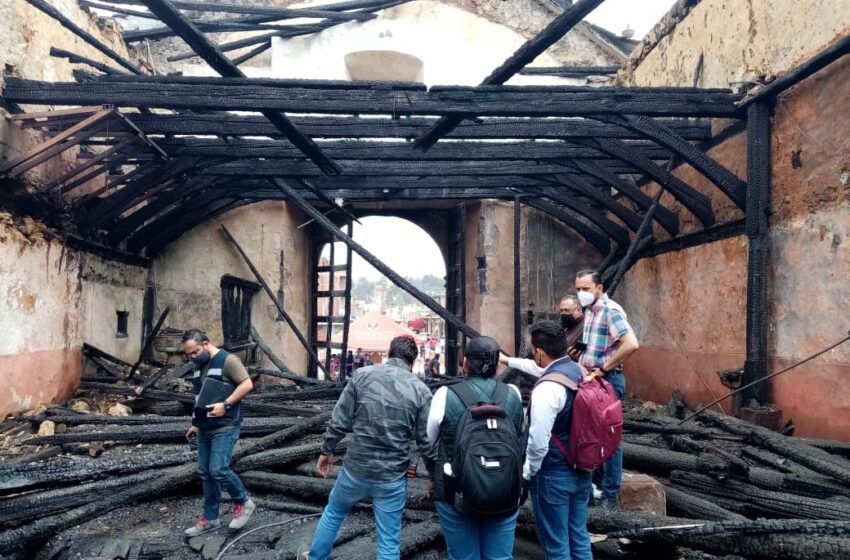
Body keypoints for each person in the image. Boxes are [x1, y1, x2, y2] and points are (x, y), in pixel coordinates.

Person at [303, 336, 436, 560]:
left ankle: (315, 558)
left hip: (356, 470)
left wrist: (327, 450)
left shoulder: (361, 376)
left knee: (334, 513)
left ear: (389, 354)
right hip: (392, 478)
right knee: (388, 542)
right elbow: (427, 442)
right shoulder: (421, 390)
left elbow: (340, 420)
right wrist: (434, 476)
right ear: (413, 362)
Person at [427, 336, 524, 560]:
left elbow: (429, 440)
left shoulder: (445, 394)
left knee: (463, 556)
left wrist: (434, 476)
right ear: (497, 364)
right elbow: (518, 433)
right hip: (504, 486)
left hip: (456, 489)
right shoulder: (513, 394)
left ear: (464, 362)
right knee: (499, 557)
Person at [571, 270, 639, 511]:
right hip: (592, 380)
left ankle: (610, 496)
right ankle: (596, 488)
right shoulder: (591, 311)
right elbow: (601, 344)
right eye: (578, 289)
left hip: (607, 379)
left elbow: (631, 344)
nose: (581, 294)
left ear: (599, 288)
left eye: (586, 289)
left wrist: (602, 368)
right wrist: (581, 354)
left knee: (610, 438)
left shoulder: (611, 310)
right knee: (592, 435)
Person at [524, 320, 592, 560]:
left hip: (553, 473)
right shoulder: (580, 372)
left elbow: (538, 439)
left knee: (556, 545)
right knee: (579, 537)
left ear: (539, 352)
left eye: (532, 351)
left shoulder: (547, 388)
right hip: (582, 467)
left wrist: (530, 470)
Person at [182, 329, 256, 536]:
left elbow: (247, 383)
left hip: (226, 426)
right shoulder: (199, 366)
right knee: (206, 474)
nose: (192, 357)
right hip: (205, 428)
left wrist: (226, 404)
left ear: (206, 344)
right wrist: (195, 423)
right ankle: (211, 519)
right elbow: (201, 399)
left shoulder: (227, 360)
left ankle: (244, 502)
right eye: (189, 354)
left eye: (195, 352)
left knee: (218, 469)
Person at [499, 295, 586, 378]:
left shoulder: (585, 328)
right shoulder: (565, 325)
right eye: (561, 311)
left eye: (567, 310)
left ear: (579, 310)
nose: (563, 314)